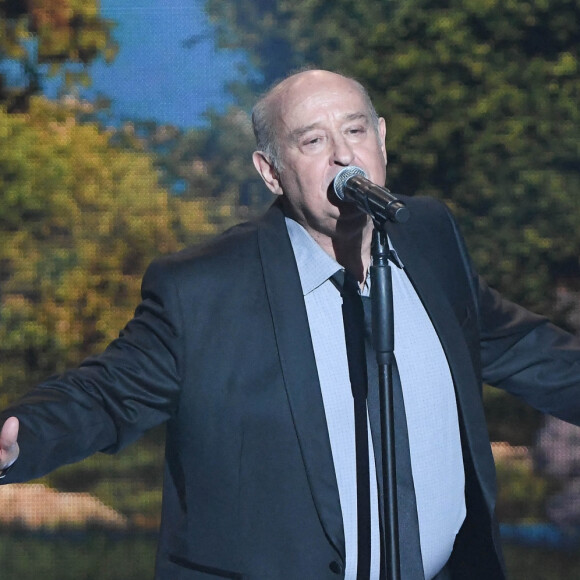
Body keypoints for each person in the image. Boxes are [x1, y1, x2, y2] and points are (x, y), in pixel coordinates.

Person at [1, 69, 580, 580]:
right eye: (312, 140)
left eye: (354, 131)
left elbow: (515, 341)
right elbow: (106, 395)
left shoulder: (428, 234)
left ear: (381, 137)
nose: (343, 156)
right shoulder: (204, 287)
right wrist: (17, 439)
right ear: (270, 171)